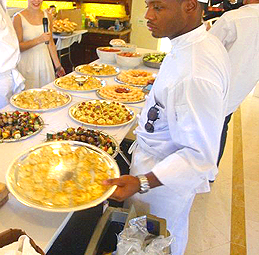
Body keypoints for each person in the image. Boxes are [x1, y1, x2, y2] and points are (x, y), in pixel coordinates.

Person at [103, 0, 231, 254]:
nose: (147, 15)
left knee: (157, 241)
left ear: (190, 6)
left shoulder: (195, 71)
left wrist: (142, 182)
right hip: (154, 164)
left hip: (163, 181)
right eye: (149, 5)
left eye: (158, 7)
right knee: (144, 235)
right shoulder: (193, 43)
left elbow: (198, 156)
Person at [209, 0, 259, 165]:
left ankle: (198, 171)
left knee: (206, 128)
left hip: (215, 85)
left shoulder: (233, 18)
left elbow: (207, 48)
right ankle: (211, 172)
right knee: (222, 125)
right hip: (241, 86)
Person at [13, 0, 65, 89]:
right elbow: (18, 47)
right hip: (27, 66)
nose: (36, 1)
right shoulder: (18, 18)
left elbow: (51, 43)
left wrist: (58, 66)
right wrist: (39, 40)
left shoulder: (48, 16)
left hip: (45, 64)